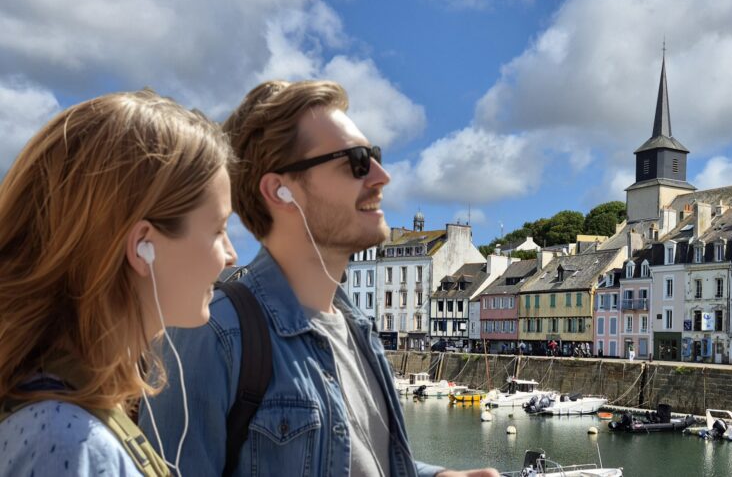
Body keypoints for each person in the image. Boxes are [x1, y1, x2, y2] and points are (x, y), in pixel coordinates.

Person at [141, 80, 497, 477]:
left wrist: (437, 475)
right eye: (356, 161)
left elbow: (356, 459)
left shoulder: (358, 331)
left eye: (375, 157)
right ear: (280, 191)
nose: (381, 176)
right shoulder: (211, 335)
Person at [0, 91, 236, 476]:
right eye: (219, 230)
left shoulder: (64, 416)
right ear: (143, 246)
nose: (231, 255)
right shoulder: (68, 440)